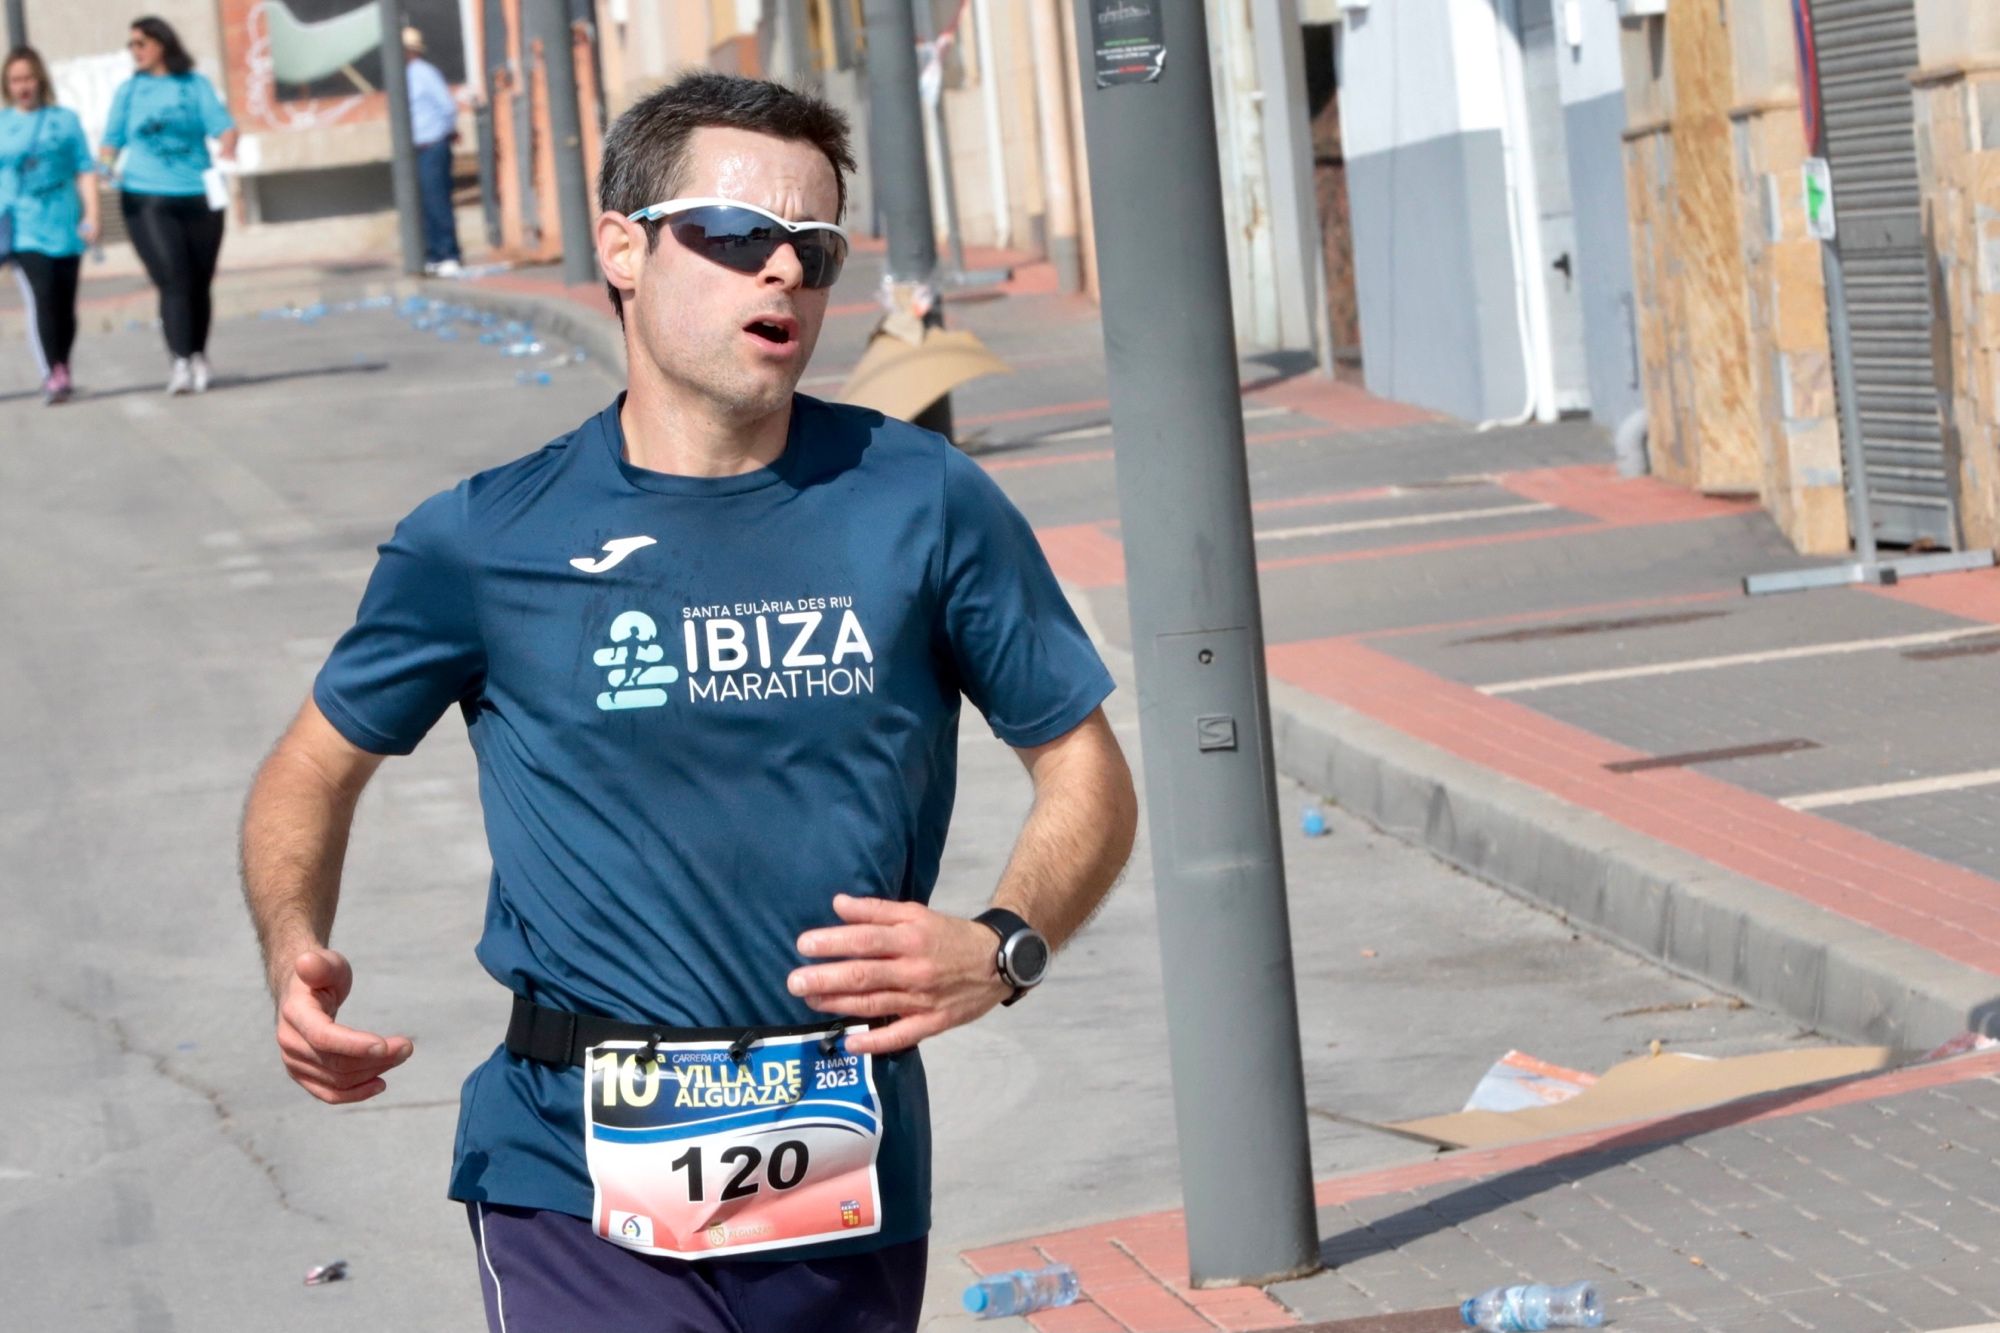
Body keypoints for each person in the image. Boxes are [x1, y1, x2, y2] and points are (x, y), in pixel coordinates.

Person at [239, 70, 1138, 1333]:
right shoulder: (485, 538)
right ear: (621, 248)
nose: (780, 273)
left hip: (839, 1163)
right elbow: (310, 767)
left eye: (813, 249)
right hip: (569, 1165)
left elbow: (1084, 767)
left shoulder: (922, 500)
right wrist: (294, 950)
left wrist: (1003, 946)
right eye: (732, 234)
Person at [99, 15, 235, 395]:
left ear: (163, 44)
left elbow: (223, 126)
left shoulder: (193, 85)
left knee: (198, 281)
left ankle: (198, 355)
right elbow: (111, 141)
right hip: (148, 197)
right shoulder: (130, 91)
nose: (135, 51)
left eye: (141, 43)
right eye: (132, 45)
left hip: (199, 196)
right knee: (173, 278)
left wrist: (228, 145)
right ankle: (178, 360)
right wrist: (106, 169)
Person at [1, 46, 99, 404]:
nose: (22, 86)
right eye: (15, 80)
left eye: (27, 78)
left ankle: (62, 364)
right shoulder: (3, 125)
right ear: (7, 85)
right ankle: (53, 372)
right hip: (23, 227)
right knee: (42, 297)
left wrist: (92, 215)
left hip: (64, 222)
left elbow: (85, 169)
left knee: (64, 303)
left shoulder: (65, 120)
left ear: (39, 79)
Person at [402, 25, 463, 276]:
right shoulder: (405, 76)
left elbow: (447, 107)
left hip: (433, 145)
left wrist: (445, 132)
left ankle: (449, 254)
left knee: (437, 200)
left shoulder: (423, 73)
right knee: (424, 204)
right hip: (417, 149)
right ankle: (434, 254)